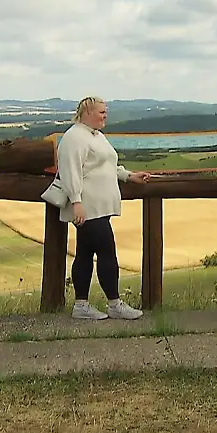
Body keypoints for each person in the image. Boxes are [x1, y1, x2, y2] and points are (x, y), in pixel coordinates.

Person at [56, 96, 152, 320]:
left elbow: (108, 165)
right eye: (101, 112)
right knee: (107, 252)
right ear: (87, 112)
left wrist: (128, 176)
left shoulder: (96, 136)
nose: (105, 115)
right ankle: (114, 303)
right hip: (88, 207)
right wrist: (76, 201)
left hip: (97, 207)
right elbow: (70, 171)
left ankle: (81, 305)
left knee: (85, 254)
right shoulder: (74, 137)